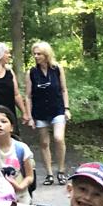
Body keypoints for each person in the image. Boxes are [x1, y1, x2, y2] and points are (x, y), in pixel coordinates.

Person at [24, 42, 71, 185]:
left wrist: (67, 108)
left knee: (58, 138)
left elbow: (64, 90)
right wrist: (29, 116)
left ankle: (61, 171)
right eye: (34, 54)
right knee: (44, 143)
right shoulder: (31, 72)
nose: (36, 56)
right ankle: (49, 173)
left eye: (39, 54)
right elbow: (28, 96)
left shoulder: (57, 69)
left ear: (46, 54)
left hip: (57, 109)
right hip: (40, 111)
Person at [0, 107, 34, 194]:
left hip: (21, 196)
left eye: (3, 121)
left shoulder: (21, 148)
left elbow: (30, 176)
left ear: (12, 127)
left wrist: (20, 186)